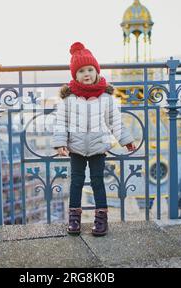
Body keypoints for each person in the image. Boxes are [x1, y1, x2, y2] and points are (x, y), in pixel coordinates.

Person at [52, 42, 136, 236]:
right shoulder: (69, 98)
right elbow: (61, 122)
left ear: (97, 71)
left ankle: (101, 218)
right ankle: (74, 218)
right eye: (81, 71)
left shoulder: (106, 98)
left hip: (98, 148)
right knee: (76, 182)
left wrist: (126, 140)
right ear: (75, 75)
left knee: (98, 182)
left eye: (90, 69)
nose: (87, 73)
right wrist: (60, 143)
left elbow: (115, 121)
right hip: (76, 148)